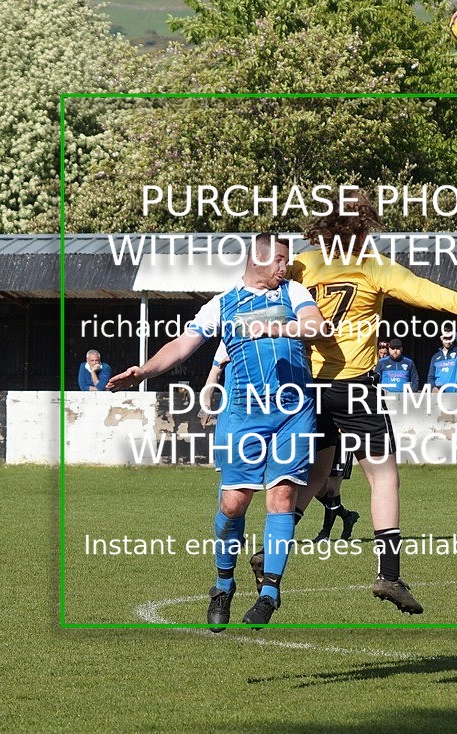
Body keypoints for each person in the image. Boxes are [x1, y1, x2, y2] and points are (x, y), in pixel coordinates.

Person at [253, 190, 457, 616]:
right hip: (355, 385)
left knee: (314, 473)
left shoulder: (302, 264)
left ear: (324, 226)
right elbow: (425, 292)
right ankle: (389, 574)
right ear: (364, 226)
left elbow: (266, 290)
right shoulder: (373, 266)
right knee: (384, 477)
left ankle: (269, 553)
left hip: (308, 387)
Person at [107, 234, 328, 629]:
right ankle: (223, 584)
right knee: (233, 505)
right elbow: (182, 345)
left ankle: (270, 593)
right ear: (257, 259)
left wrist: (278, 329)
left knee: (281, 498)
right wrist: (142, 371)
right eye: (279, 260)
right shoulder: (222, 304)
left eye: (287, 260)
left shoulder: (294, 291)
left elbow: (315, 325)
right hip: (243, 414)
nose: (285, 267)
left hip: (294, 411)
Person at [311, 451, 360, 543]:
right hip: (324, 446)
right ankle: (347, 516)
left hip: (341, 446)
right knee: (318, 492)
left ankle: (325, 533)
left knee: (332, 490)